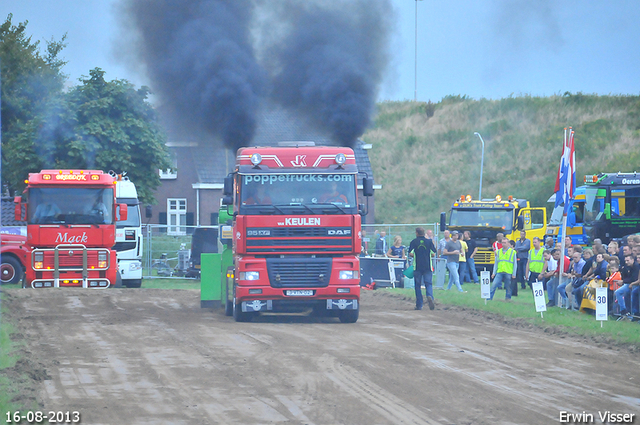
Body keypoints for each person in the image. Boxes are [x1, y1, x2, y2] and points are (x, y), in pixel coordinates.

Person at [408, 227, 437, 310]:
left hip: (417, 267)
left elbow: (410, 253)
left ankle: (419, 305)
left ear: (416, 233)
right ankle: (429, 296)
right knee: (428, 283)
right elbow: (433, 254)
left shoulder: (413, 242)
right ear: (424, 233)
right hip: (428, 266)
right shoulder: (429, 242)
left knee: (417, 286)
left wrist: (417, 255)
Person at [489, 237, 517, 301]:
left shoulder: (513, 252)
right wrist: (494, 273)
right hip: (500, 271)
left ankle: (508, 298)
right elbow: (496, 263)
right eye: (502, 242)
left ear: (508, 243)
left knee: (508, 286)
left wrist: (514, 274)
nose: (503, 244)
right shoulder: (498, 251)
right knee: (494, 285)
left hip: (508, 271)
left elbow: (515, 264)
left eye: (505, 242)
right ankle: (489, 298)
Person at [614, 254, 640, 320]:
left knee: (629, 293)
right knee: (618, 292)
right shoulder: (627, 266)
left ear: (632, 260)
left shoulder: (636, 267)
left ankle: (632, 312)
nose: (626, 262)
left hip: (633, 284)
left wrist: (623, 281)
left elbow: (634, 278)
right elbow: (624, 275)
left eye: (628, 260)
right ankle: (624, 310)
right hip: (628, 283)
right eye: (625, 261)